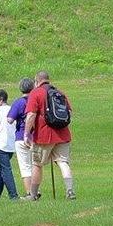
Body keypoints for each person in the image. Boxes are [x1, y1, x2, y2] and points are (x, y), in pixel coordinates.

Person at [24, 71, 75, 201]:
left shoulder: (36, 93)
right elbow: (69, 112)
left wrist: (26, 134)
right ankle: (70, 191)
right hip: (63, 134)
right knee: (63, 162)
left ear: (36, 81)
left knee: (37, 164)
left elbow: (31, 115)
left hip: (44, 136)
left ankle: (33, 194)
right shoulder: (59, 92)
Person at [6, 78, 34, 196]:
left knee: (25, 166)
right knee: (35, 166)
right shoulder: (35, 101)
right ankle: (36, 189)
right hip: (35, 137)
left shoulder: (19, 102)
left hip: (21, 136)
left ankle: (30, 192)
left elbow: (10, 119)